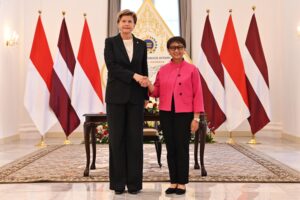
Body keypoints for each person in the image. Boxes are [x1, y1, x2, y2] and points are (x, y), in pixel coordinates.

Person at [148, 36, 204, 195]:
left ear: (184, 49)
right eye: (173, 48)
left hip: (185, 114)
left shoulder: (192, 70)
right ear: (168, 50)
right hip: (166, 113)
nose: (177, 50)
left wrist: (196, 118)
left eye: (180, 47)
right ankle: (173, 181)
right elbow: (156, 92)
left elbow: (197, 94)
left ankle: (182, 182)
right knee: (171, 147)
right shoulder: (163, 70)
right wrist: (148, 84)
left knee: (182, 147)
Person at [104, 9, 148, 195]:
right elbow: (112, 68)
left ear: (134, 24)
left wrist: (145, 95)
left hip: (136, 98)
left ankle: (134, 184)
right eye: (123, 21)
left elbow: (144, 68)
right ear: (118, 23)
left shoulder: (141, 44)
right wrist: (134, 76)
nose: (126, 24)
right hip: (116, 97)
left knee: (135, 140)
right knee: (117, 140)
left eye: (130, 21)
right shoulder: (111, 42)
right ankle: (119, 184)